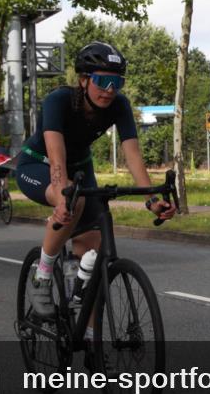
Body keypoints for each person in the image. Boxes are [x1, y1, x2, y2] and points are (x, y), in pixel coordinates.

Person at [16, 41, 176, 323]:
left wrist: (151, 199)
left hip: (80, 167)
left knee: (93, 253)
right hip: (38, 163)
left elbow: (132, 153)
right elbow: (56, 154)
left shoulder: (119, 106)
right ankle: (42, 276)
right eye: (102, 81)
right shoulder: (59, 101)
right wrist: (62, 194)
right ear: (83, 80)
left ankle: (91, 339)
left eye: (117, 82)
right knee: (72, 198)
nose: (110, 89)